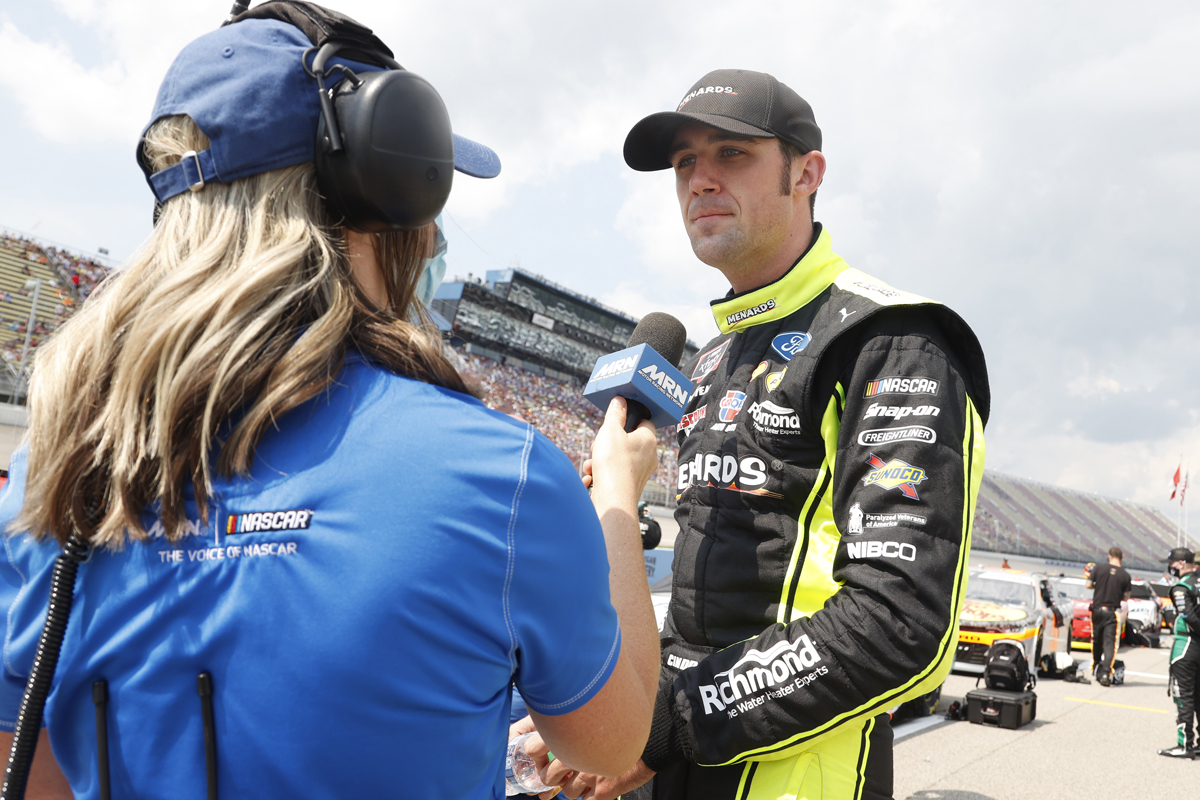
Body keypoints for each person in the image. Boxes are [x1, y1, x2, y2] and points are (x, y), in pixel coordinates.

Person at [0, 4, 659, 798]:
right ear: (386, 184)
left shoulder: (51, 470)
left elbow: (27, 767)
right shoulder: (503, 475)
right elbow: (612, 742)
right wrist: (617, 501)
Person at [538, 69, 989, 800]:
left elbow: (899, 622)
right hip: (669, 763)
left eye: (732, 154)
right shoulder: (713, 356)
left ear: (806, 174)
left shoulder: (890, 341)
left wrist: (672, 722)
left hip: (793, 777)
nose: (700, 180)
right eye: (685, 162)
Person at [1160, 548, 1200, 758]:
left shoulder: (1181, 587)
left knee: (1183, 695)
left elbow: (1189, 617)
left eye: (1172, 563)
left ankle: (1185, 744)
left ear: (1182, 563)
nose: (1170, 567)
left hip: (1186, 645)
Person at [1087, 546, 1132, 686]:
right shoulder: (1125, 575)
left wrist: (1099, 586)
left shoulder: (1099, 569)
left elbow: (1088, 584)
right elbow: (1126, 597)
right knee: (1110, 643)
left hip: (1096, 610)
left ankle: (1096, 666)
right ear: (1121, 558)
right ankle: (1105, 673)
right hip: (1112, 612)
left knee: (1096, 640)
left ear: (1109, 556)